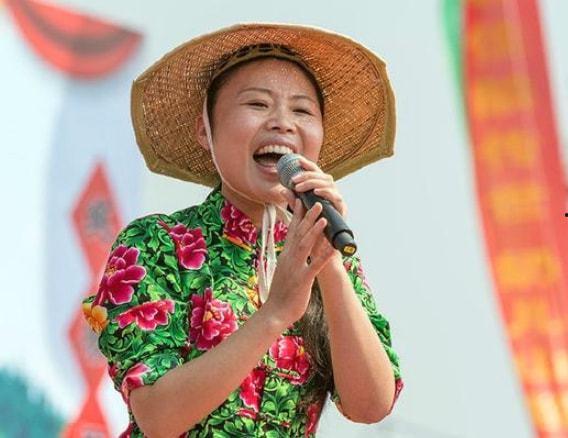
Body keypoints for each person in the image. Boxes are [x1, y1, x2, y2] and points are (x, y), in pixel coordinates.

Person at [83, 23, 403, 437]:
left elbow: (371, 405)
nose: (283, 123)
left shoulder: (331, 254)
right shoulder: (154, 243)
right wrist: (275, 313)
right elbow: (158, 416)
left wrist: (330, 267)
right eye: (257, 103)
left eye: (302, 111)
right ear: (205, 130)